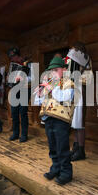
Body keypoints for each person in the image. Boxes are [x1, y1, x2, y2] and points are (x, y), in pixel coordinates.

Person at [34, 56, 77, 185]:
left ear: (64, 70)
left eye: (56, 70)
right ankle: (56, 168)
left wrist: (51, 88)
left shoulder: (69, 83)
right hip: (49, 119)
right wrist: (40, 94)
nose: (52, 73)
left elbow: (65, 98)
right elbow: (40, 102)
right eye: (51, 71)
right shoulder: (51, 84)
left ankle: (66, 173)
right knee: (52, 147)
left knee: (62, 147)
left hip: (61, 120)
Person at [64, 41, 93, 161]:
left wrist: (77, 78)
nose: (71, 52)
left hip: (80, 91)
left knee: (79, 123)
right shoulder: (71, 60)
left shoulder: (86, 60)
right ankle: (75, 148)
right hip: (72, 90)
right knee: (74, 122)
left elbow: (89, 77)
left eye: (73, 50)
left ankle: (81, 151)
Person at [7, 47, 30, 142]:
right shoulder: (12, 65)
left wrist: (22, 78)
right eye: (11, 57)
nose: (12, 59)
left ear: (17, 56)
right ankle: (16, 133)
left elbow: (34, 78)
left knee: (23, 113)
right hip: (14, 90)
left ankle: (24, 135)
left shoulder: (28, 64)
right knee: (14, 113)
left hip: (24, 90)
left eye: (13, 57)